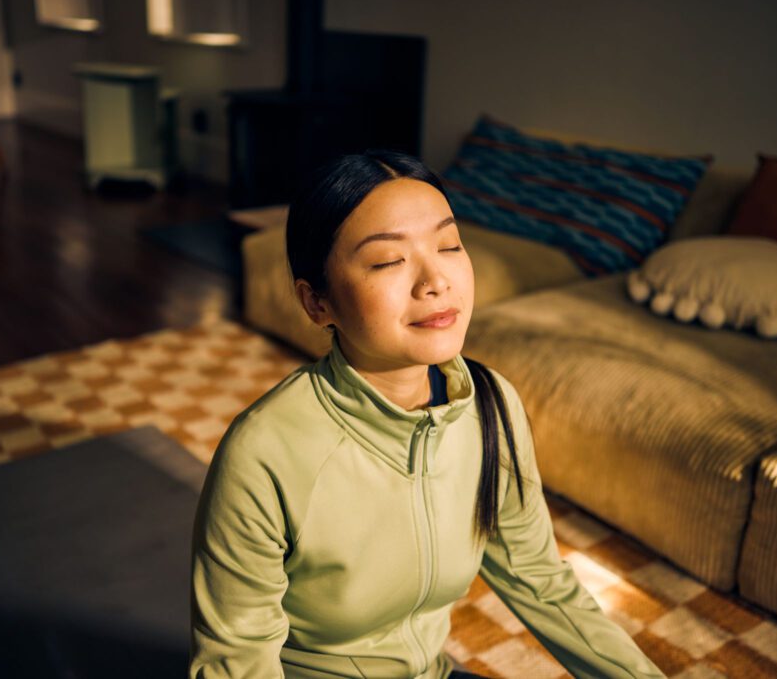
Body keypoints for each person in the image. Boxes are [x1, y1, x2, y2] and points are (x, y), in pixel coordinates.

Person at [189, 150, 665, 678]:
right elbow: (237, 661)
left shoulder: (491, 405)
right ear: (317, 303)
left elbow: (539, 578)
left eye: (449, 245)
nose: (435, 280)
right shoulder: (264, 453)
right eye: (388, 261)